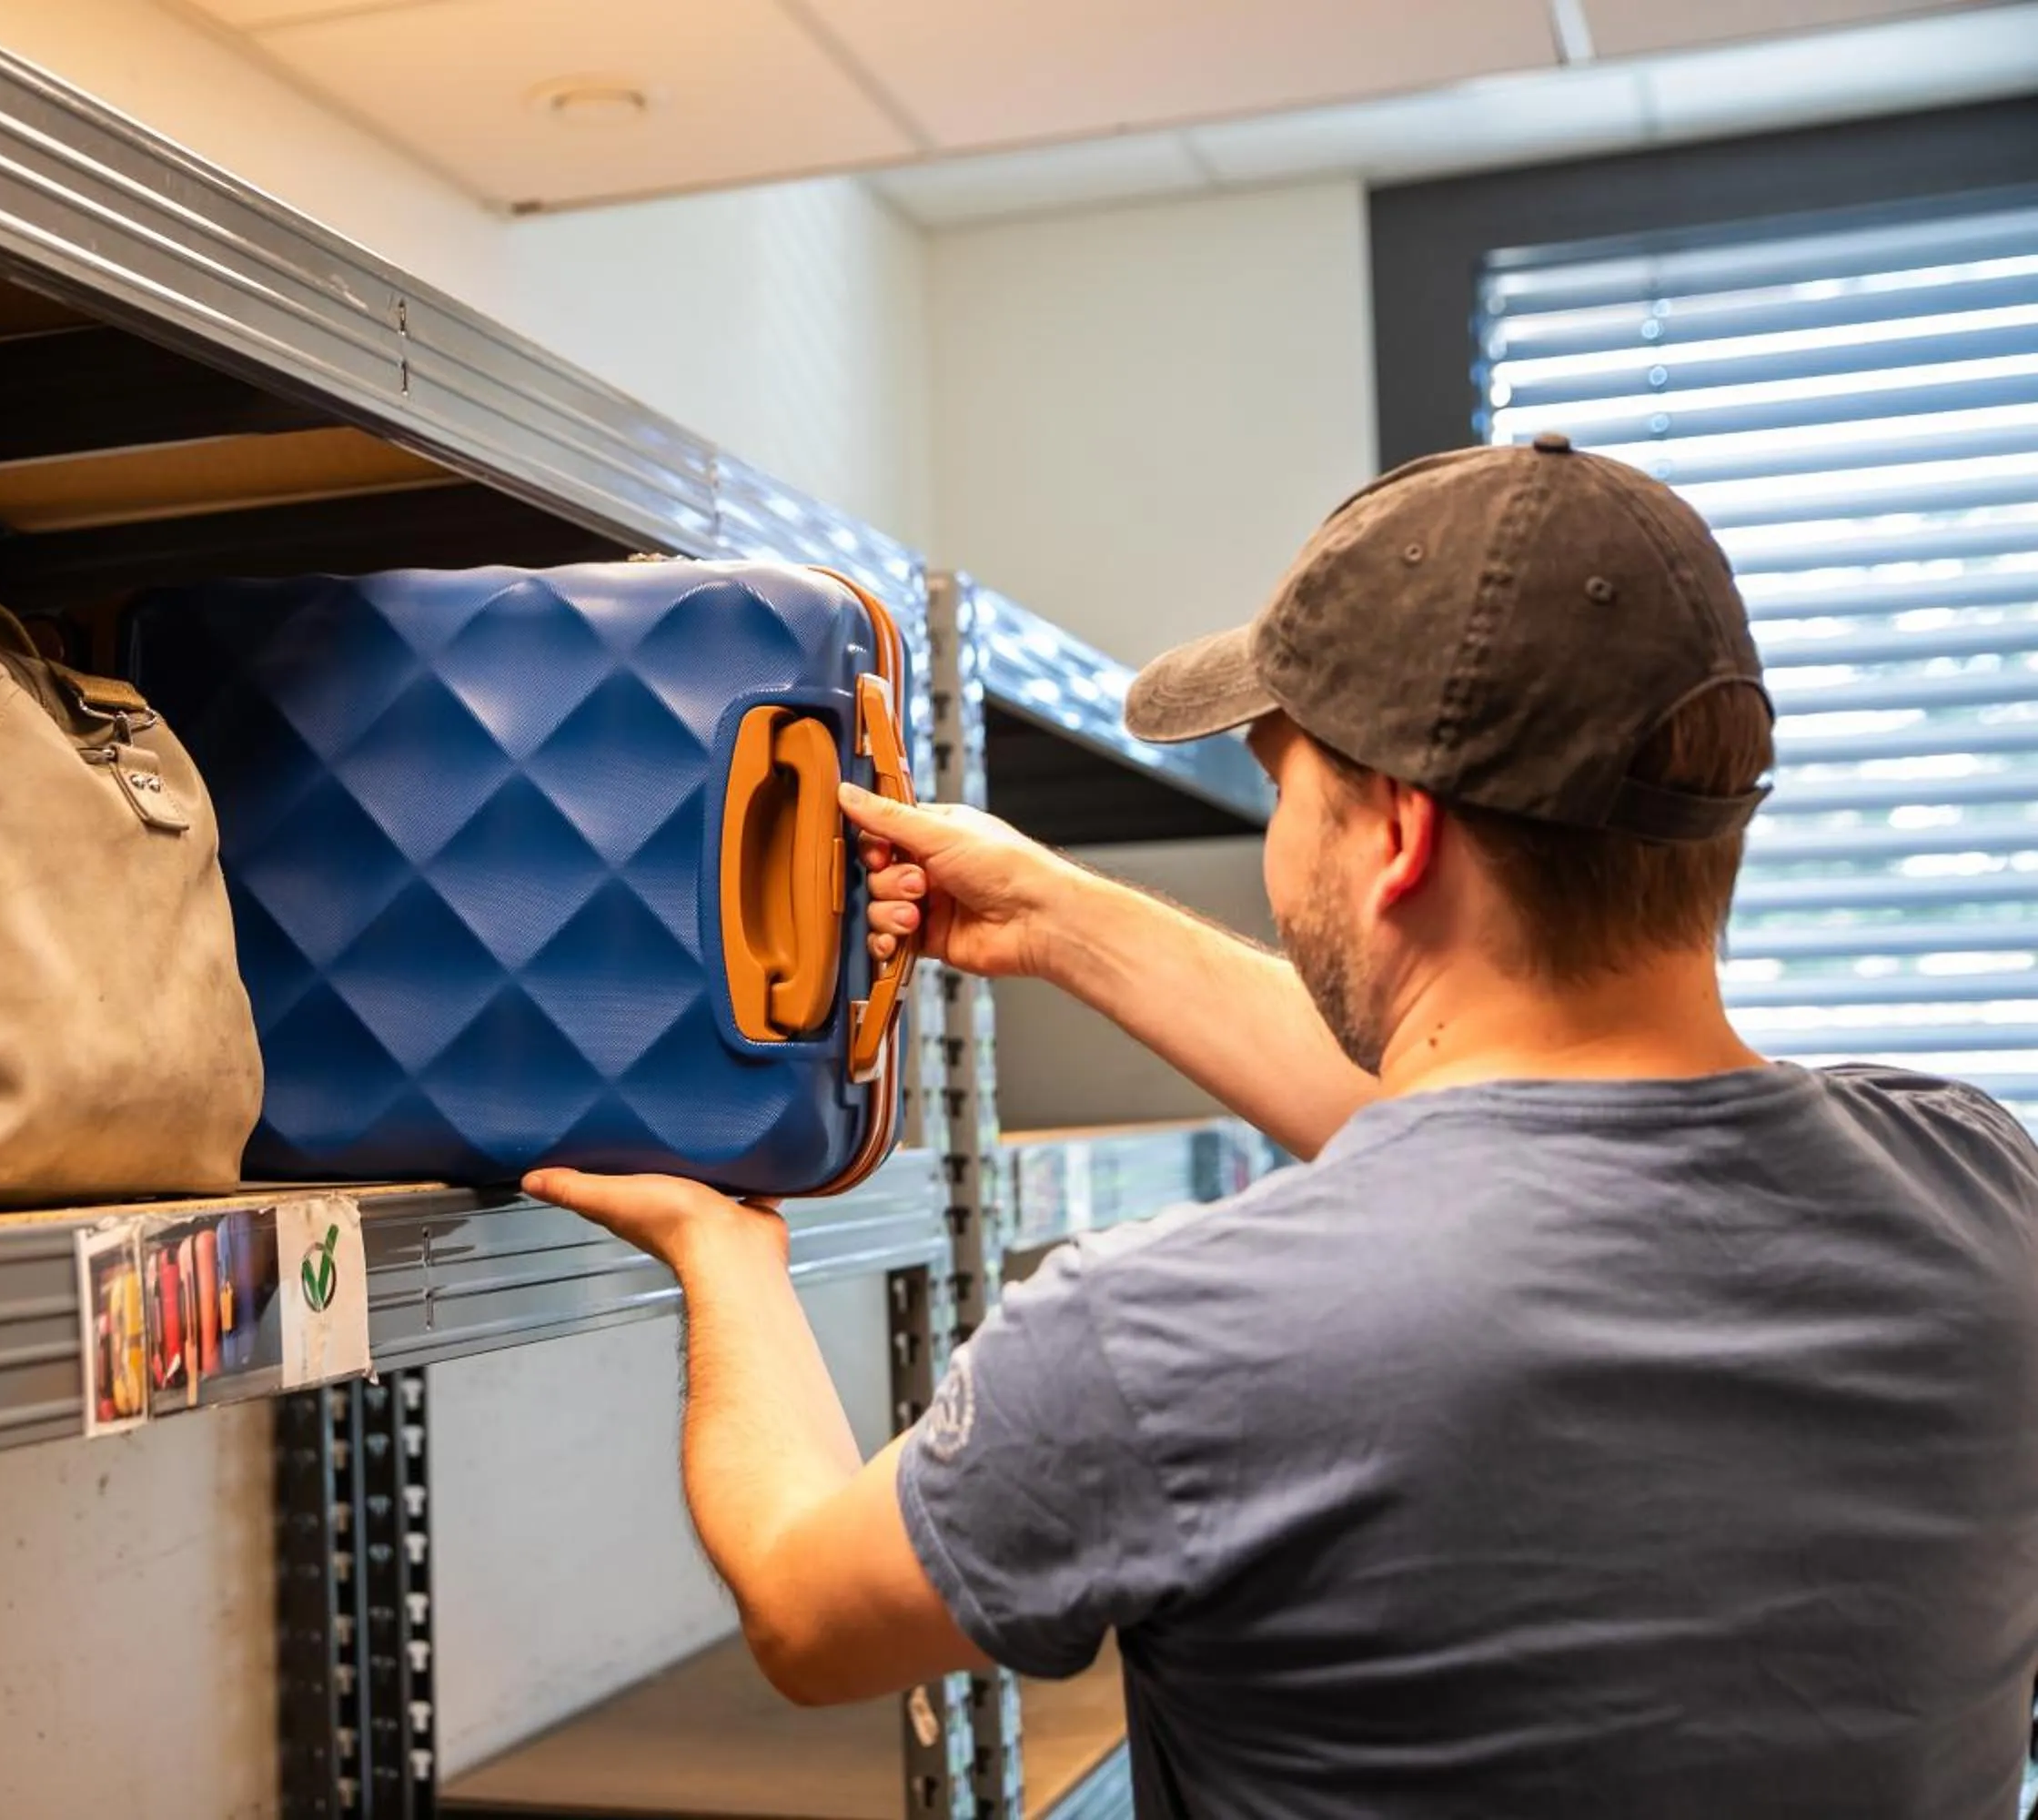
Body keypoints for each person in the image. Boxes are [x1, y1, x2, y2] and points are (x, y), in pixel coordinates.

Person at [525, 438, 2038, 1819]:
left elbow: (803, 1608)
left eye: (1284, 783)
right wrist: (1054, 913)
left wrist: (723, 1250)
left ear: (1395, 832)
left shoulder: (1176, 1341)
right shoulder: (1984, 1197)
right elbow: (1491, 1153)